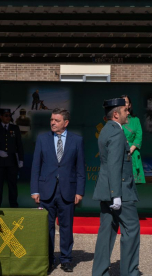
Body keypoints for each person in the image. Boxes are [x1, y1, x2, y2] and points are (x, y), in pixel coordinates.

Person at [30, 108, 85, 273]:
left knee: (66, 227)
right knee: (47, 228)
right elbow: (36, 166)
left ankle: (66, 259)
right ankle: (48, 259)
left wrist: (80, 191)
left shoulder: (77, 140)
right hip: (46, 190)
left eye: (57, 120)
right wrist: (34, 190)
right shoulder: (42, 139)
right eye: (51, 120)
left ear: (66, 123)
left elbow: (80, 168)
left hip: (68, 190)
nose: (53, 123)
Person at [92, 98, 140, 276]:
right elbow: (114, 164)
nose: (128, 113)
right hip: (120, 190)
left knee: (106, 232)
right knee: (131, 229)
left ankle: (99, 272)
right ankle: (130, 272)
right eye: (125, 110)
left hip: (107, 190)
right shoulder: (117, 133)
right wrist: (116, 195)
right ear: (115, 114)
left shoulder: (106, 130)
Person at [0, 108, 24, 208]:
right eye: (6, 115)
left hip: (12, 162)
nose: (8, 117)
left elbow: (19, 145)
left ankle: (14, 206)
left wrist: (21, 159)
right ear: (1, 117)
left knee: (12, 185)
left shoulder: (15, 128)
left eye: (9, 115)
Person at [121, 95, 145, 184]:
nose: (124, 104)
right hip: (120, 151)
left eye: (126, 102)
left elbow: (139, 136)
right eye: (122, 102)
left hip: (133, 152)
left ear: (130, 105)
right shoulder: (117, 120)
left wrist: (131, 149)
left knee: (132, 184)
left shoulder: (136, 120)